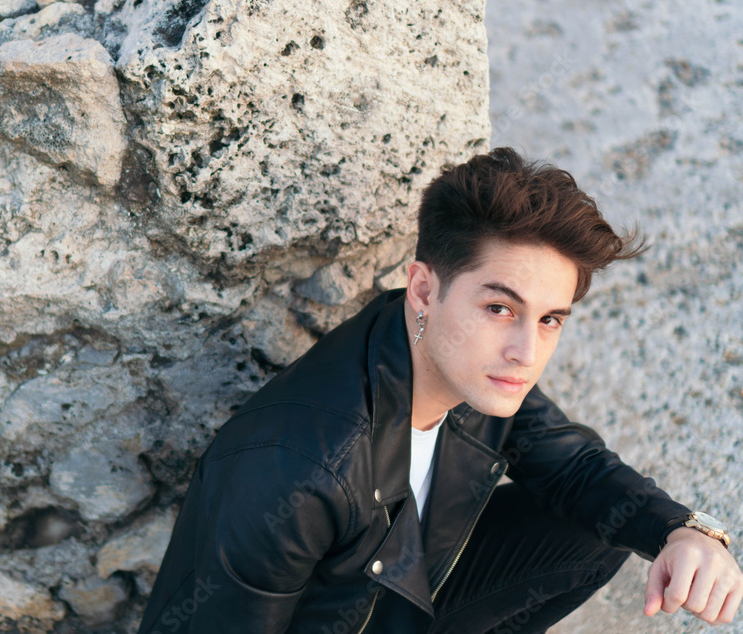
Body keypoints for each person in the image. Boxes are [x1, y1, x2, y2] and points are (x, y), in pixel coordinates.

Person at [137, 147, 742, 633]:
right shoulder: (295, 474)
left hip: (396, 601)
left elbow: (578, 469)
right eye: (500, 308)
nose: (526, 352)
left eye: (549, 319)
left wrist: (687, 531)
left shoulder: (462, 368)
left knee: (595, 526)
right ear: (424, 291)